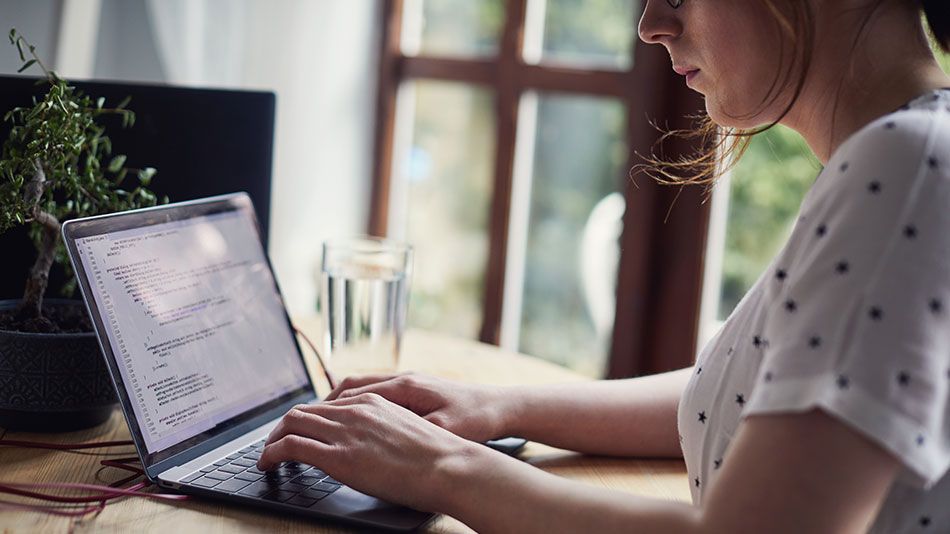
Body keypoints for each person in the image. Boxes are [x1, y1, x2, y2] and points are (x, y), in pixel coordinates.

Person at [258, 0, 950, 531]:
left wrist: (443, 468)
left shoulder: (908, 168)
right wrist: (504, 406)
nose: (651, 23)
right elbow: (763, 393)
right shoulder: (911, 155)